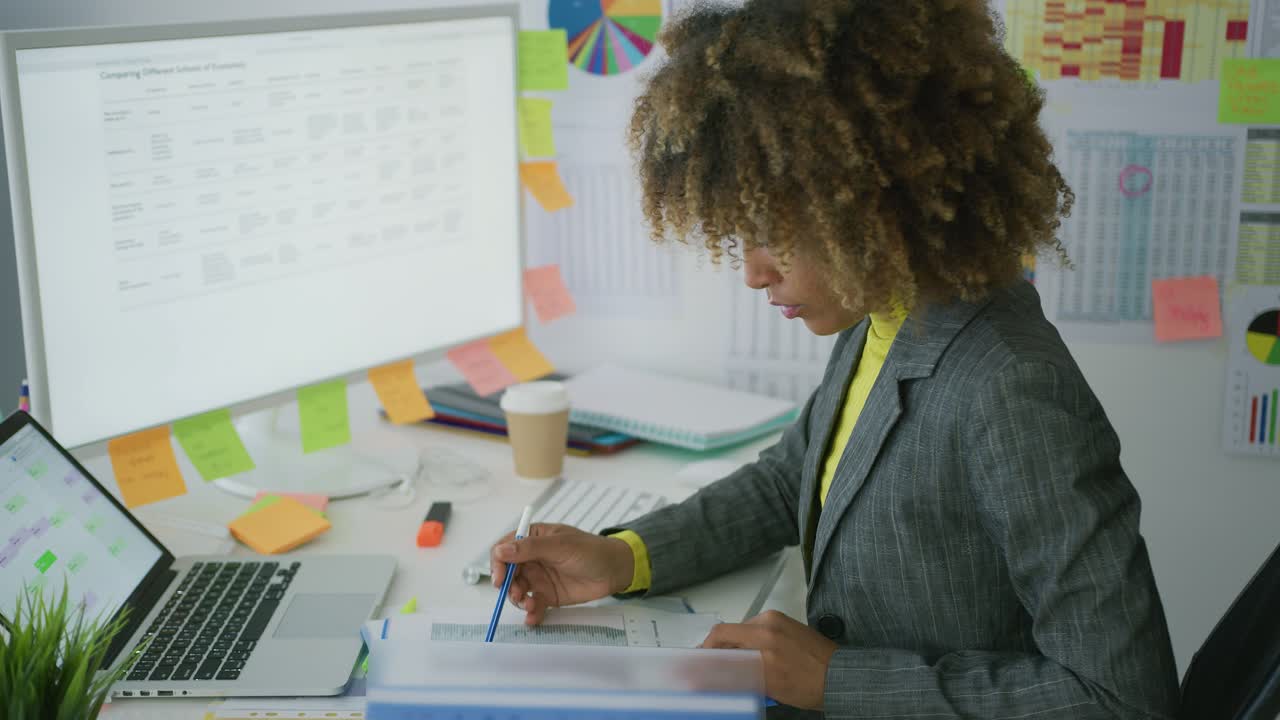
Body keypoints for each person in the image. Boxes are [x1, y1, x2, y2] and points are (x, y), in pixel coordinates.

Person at [490, 0, 1181, 716]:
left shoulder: (1012, 388)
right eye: (739, 233)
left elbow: (1121, 698)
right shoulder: (884, 312)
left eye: (774, 234)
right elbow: (794, 481)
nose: (753, 272)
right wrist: (626, 557)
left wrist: (836, 680)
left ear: (876, 202)